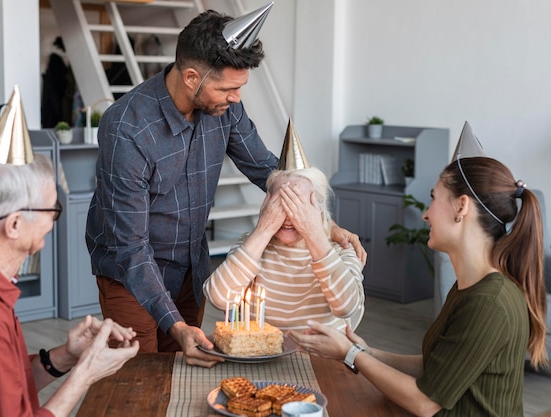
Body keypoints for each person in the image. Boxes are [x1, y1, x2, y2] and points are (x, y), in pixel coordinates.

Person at [85, 5, 366, 368]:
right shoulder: (127, 128)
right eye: (228, 88)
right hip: (131, 273)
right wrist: (175, 325)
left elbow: (267, 168)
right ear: (191, 78)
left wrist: (325, 225)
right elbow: (131, 247)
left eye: (240, 88)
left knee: (180, 371)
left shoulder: (226, 110)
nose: (236, 98)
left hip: (189, 265)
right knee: (136, 373)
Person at [288, 122, 549, 417]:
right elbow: (436, 365)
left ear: (461, 207)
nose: (425, 214)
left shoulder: (488, 302)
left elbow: (425, 403)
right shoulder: (471, 286)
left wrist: (351, 355)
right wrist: (368, 351)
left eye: (434, 198)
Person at [0, 87, 139, 417]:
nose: (54, 218)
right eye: (51, 209)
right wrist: (85, 375)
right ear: (13, 225)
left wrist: (65, 356)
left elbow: (2, 388)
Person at [203, 126, 365, 332]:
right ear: (266, 205)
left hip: (318, 359)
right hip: (259, 355)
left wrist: (313, 232)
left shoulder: (342, 250)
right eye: (280, 204)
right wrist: (263, 230)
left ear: (319, 210)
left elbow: (346, 308)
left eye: (299, 206)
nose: (288, 218)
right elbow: (218, 298)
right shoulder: (251, 247)